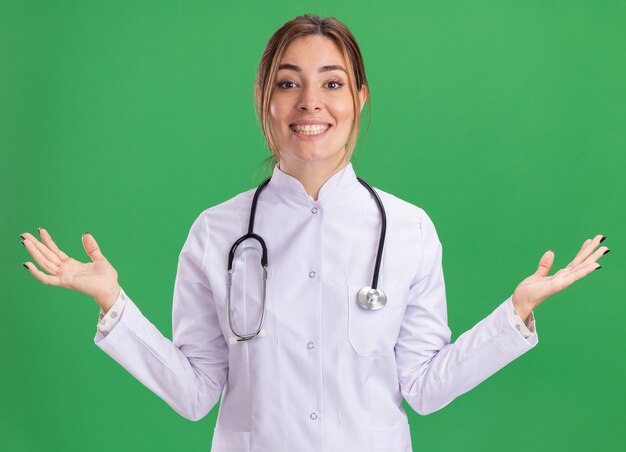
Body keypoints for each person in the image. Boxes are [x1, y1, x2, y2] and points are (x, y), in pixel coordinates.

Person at [19, 14, 609, 452]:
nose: (310, 103)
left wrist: (516, 315)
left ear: (359, 97)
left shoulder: (408, 230)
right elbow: (196, 393)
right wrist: (112, 305)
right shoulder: (216, 232)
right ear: (263, 99)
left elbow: (424, 387)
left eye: (331, 83)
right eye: (287, 83)